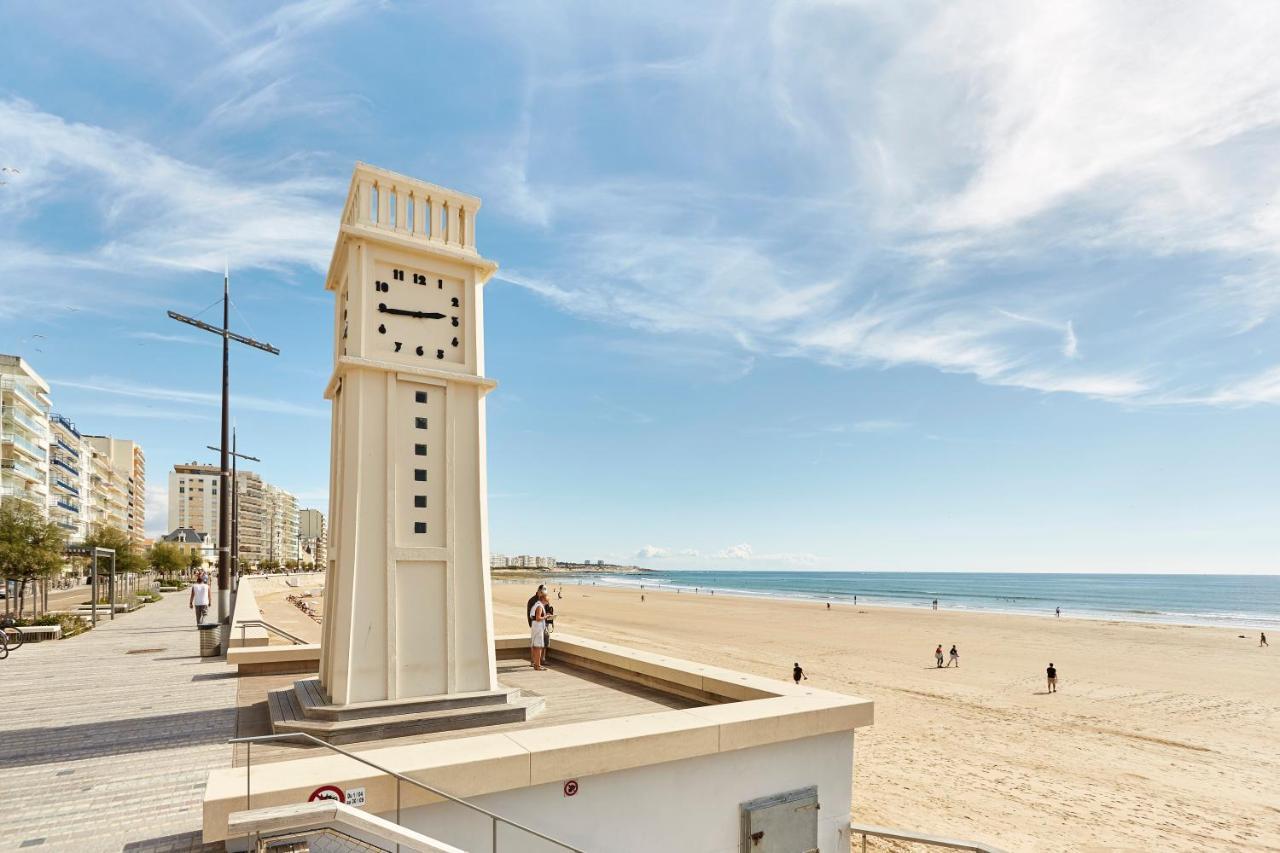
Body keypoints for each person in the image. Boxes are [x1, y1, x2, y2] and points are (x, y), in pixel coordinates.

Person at [529, 591, 549, 670]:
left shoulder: (536, 605)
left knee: (535, 646)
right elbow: (538, 618)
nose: (547, 603)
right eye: (547, 601)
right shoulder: (539, 606)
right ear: (543, 599)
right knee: (538, 646)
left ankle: (536, 664)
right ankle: (537, 665)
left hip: (535, 627)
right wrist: (546, 616)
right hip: (538, 627)